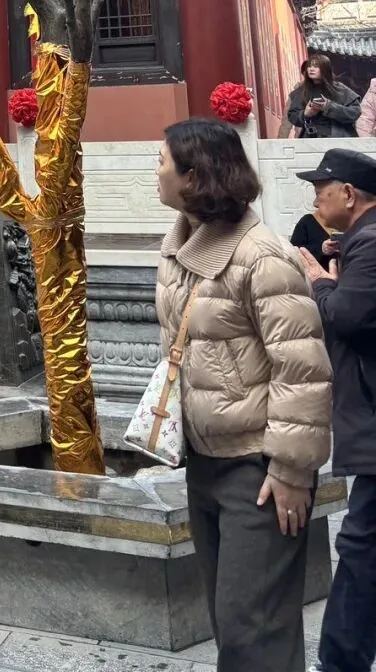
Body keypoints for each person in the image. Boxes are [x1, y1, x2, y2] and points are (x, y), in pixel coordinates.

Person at [155, 118, 331, 672]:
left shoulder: (262, 256)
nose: (156, 172)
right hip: (204, 460)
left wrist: (291, 470)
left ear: (194, 176)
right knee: (230, 624)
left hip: (258, 469)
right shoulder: (178, 247)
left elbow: (302, 369)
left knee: (253, 629)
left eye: (163, 162)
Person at [294, 148, 376, 672]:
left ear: (348, 193)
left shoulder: (369, 243)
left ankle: (341, 662)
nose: (316, 201)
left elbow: (348, 315)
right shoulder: (360, 242)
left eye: (321, 190)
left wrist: (321, 282)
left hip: (371, 418)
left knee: (361, 546)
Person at [287, 54, 361, 139]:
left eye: (316, 66)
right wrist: (305, 114)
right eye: (309, 66)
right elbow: (292, 115)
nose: (311, 69)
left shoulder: (340, 89)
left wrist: (329, 107)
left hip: (339, 137)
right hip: (311, 139)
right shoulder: (301, 91)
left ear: (325, 68)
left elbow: (355, 112)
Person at [290, 207, 339, 271]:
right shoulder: (307, 221)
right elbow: (293, 251)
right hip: (315, 274)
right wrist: (321, 249)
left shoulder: (347, 223)